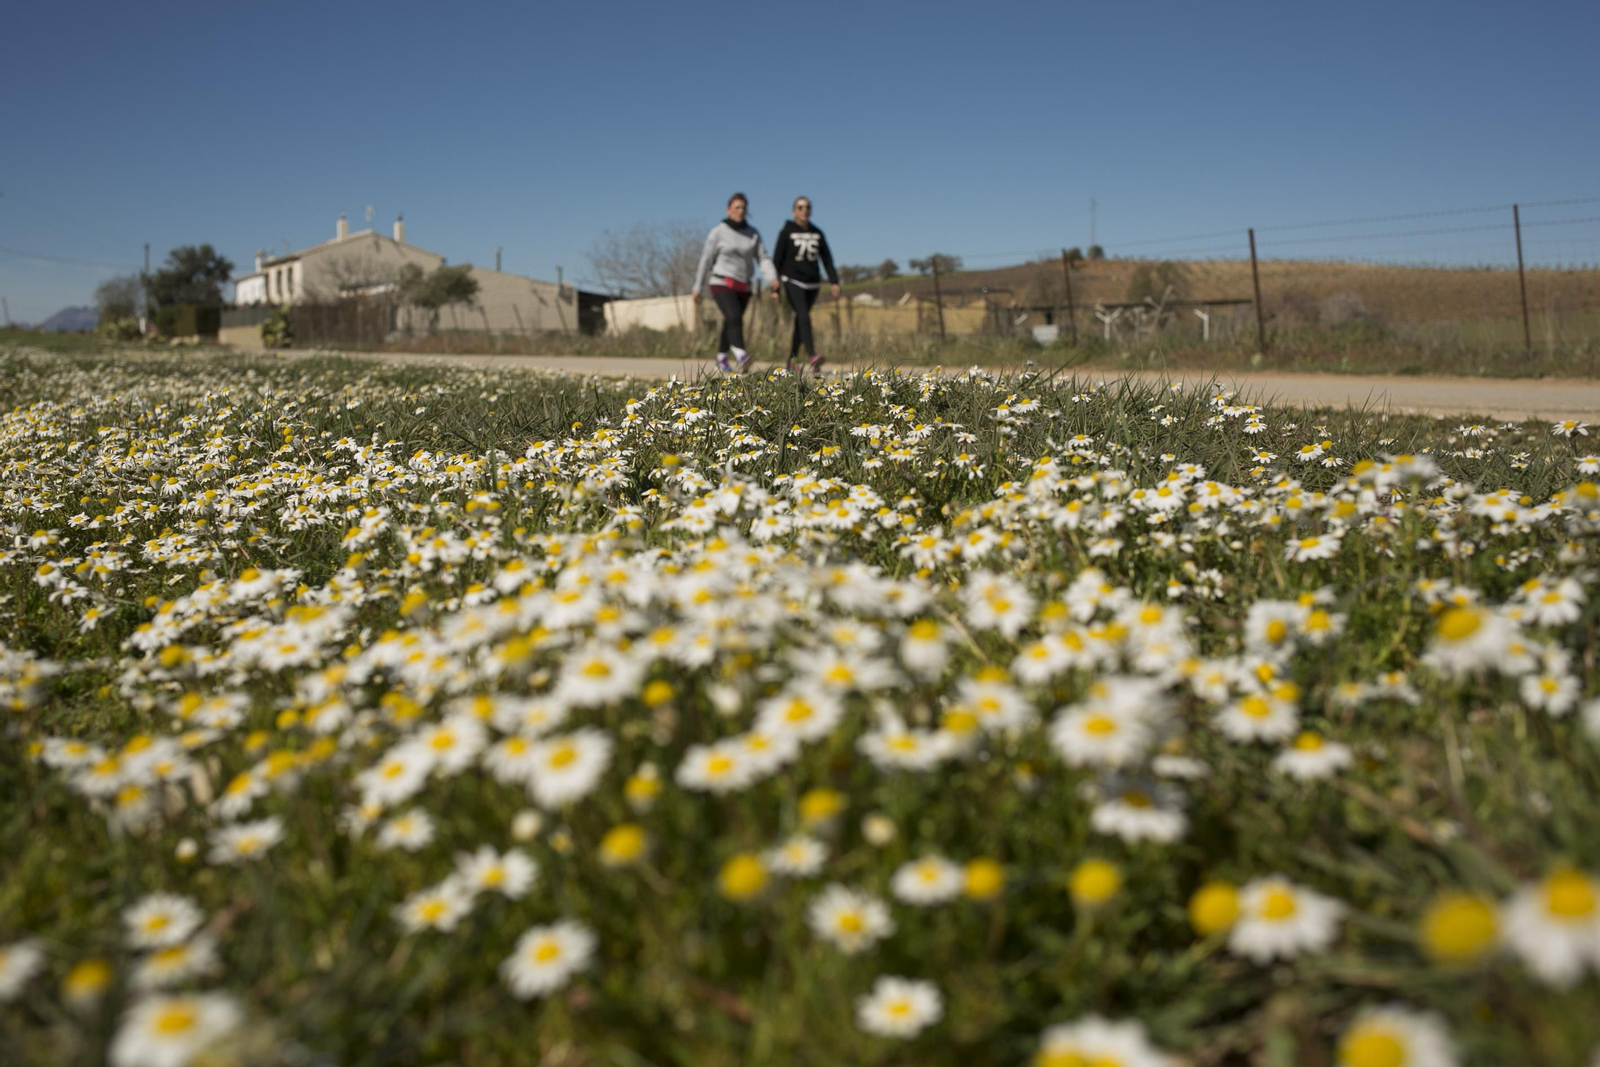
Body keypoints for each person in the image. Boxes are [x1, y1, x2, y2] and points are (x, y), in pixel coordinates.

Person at [690, 192, 778, 373]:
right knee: (734, 316)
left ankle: (721, 358)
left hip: (743, 285)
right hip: (721, 281)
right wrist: (697, 286)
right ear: (728, 209)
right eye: (737, 207)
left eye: (743, 208)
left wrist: (772, 276)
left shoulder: (752, 233)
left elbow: (762, 257)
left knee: (731, 321)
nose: (740, 211)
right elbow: (706, 259)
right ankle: (741, 355)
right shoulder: (719, 232)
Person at [772, 196, 841, 373]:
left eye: (807, 207)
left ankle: (791, 360)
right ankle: (812, 355)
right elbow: (777, 260)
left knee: (800, 320)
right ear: (794, 211)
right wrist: (776, 288)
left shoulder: (817, 232)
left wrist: (834, 281)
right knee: (803, 314)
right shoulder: (786, 231)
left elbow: (827, 259)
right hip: (792, 280)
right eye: (800, 207)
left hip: (812, 283)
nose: (804, 210)